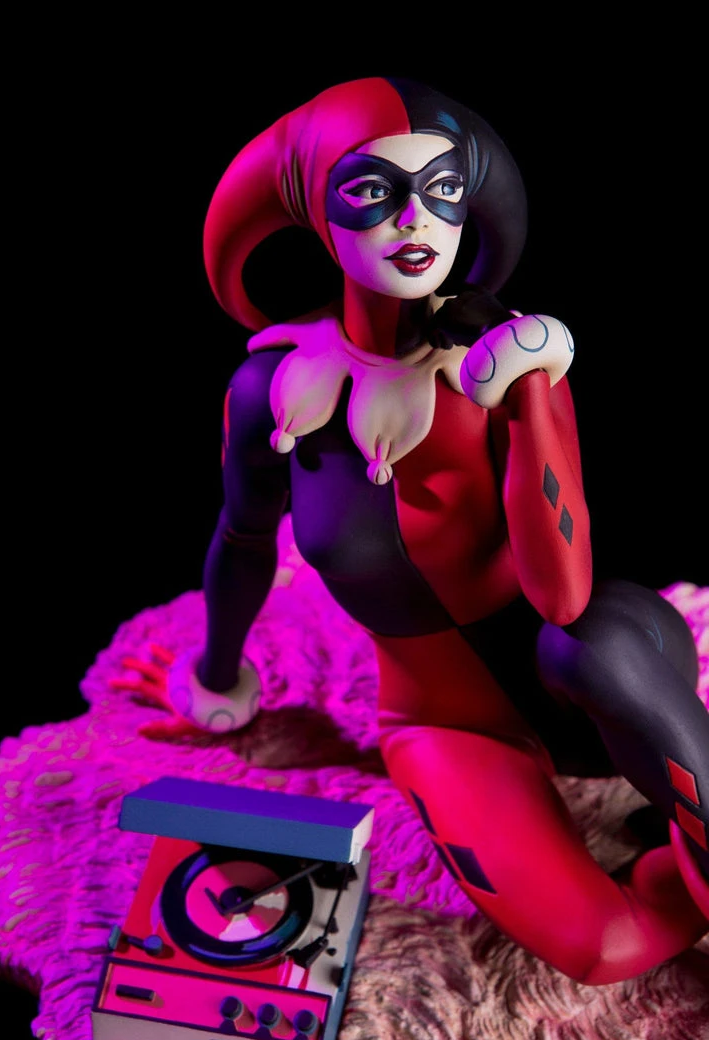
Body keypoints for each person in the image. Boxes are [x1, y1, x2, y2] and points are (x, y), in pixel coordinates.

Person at [118, 76, 709, 984]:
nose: (413, 221)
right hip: (442, 720)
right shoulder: (273, 390)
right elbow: (242, 536)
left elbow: (562, 597)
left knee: (585, 643)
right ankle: (678, 866)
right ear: (317, 214)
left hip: (596, 677)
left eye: (442, 190)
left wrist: (534, 398)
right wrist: (216, 675)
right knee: (601, 948)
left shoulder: (504, 364)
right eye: (371, 190)